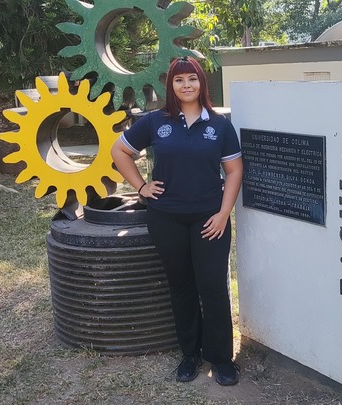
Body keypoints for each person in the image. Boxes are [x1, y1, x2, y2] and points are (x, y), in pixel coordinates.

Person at [111, 56, 243, 386]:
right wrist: (141, 186)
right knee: (181, 286)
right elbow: (119, 151)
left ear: (202, 83)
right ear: (171, 86)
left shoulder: (219, 125)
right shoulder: (155, 121)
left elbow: (234, 171)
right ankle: (190, 354)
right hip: (166, 219)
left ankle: (221, 358)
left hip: (209, 219)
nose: (187, 85)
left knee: (212, 286)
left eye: (192, 79)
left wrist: (223, 213)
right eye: (179, 80)